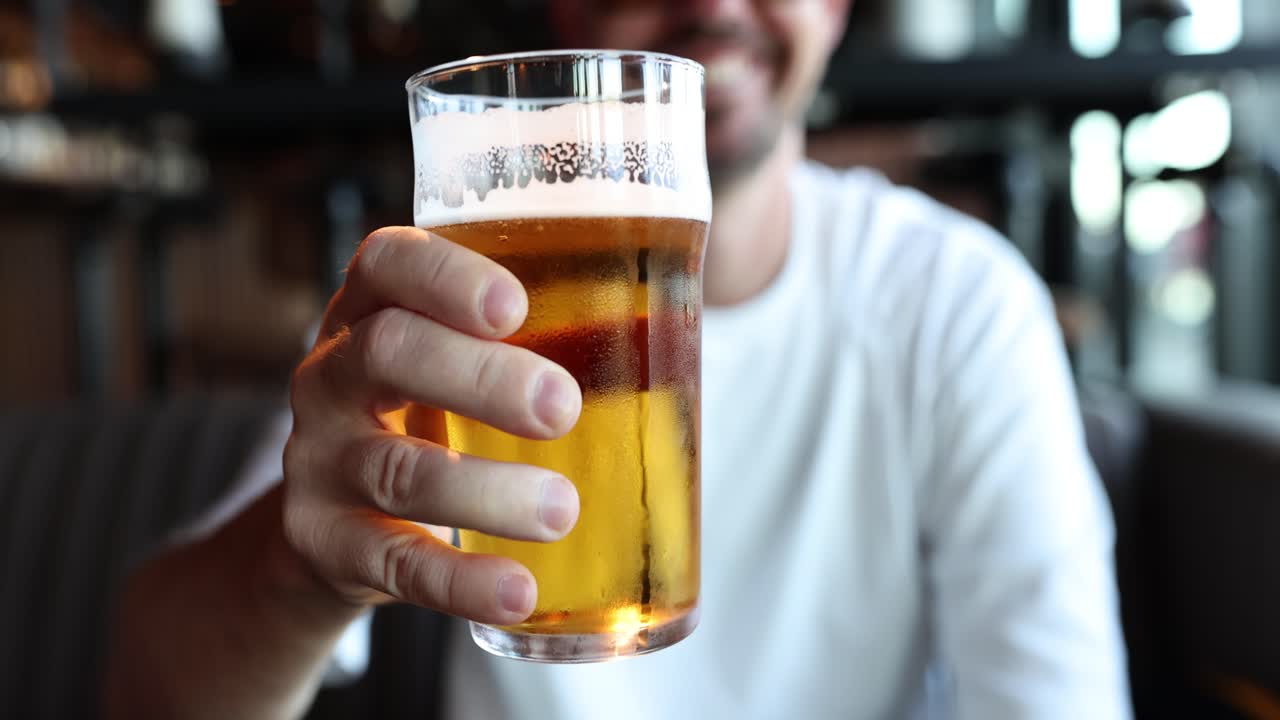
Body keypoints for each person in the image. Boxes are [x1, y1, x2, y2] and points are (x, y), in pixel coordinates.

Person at [103, 1, 1132, 718]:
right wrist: (298, 571)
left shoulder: (956, 303)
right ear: (570, 11)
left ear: (835, 5)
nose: (712, 4)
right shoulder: (421, 315)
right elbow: (145, 697)